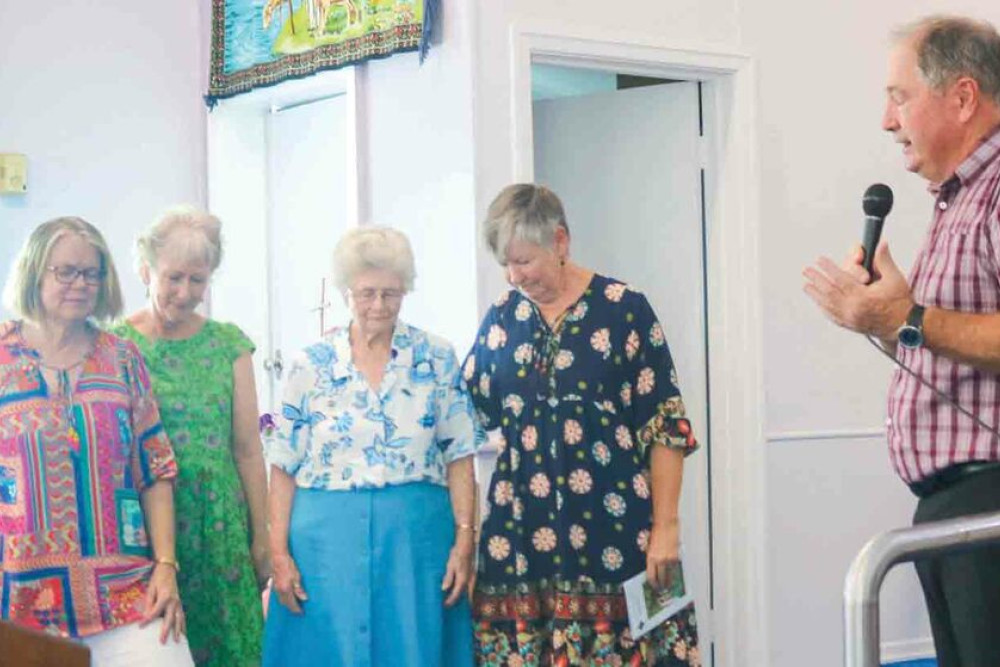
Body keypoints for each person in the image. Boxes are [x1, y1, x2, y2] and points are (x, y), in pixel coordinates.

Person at [803, 16, 1000, 667]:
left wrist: (904, 317)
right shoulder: (957, 199)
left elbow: (929, 324)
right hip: (950, 503)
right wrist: (883, 318)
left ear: (963, 97)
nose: (889, 121)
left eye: (899, 96)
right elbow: (949, 342)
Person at [464, 184, 700, 665]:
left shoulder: (624, 310)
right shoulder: (501, 320)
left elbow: (666, 426)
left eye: (524, 261)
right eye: (505, 264)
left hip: (614, 531)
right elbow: (461, 415)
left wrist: (667, 528)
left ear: (561, 241)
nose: (514, 277)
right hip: (520, 536)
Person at [262, 225, 480, 666]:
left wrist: (464, 543)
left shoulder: (435, 357)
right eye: (366, 293)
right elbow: (282, 467)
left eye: (390, 294)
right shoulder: (310, 364)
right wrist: (279, 555)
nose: (378, 306)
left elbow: (460, 456)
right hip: (324, 544)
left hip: (414, 543)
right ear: (345, 292)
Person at [0, 217, 192, 666]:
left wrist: (166, 567)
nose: (81, 283)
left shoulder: (122, 357)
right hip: (17, 600)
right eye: (65, 271)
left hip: (123, 592)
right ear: (35, 272)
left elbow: (156, 469)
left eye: (92, 272)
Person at [111, 206, 269, 666]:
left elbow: (247, 450)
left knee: (232, 651)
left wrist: (261, 535)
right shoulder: (115, 346)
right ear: (146, 271)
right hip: (147, 526)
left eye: (197, 280)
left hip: (219, 524)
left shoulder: (228, 344)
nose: (185, 292)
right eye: (173, 277)